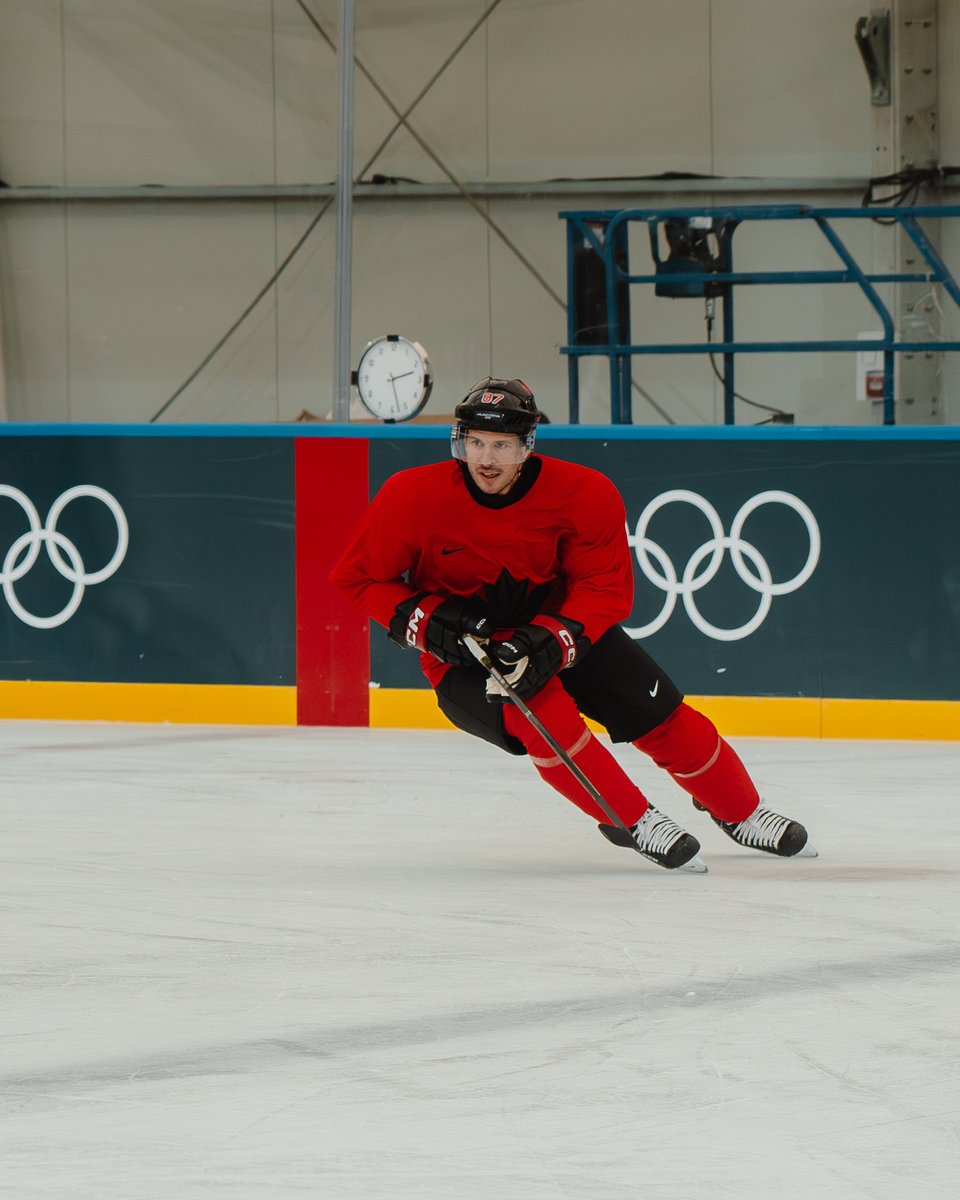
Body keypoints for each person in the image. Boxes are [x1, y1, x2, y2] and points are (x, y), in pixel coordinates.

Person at [330, 377, 816, 872]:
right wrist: (428, 620)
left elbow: (606, 588)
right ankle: (634, 820)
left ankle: (743, 811)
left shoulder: (584, 493)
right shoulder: (411, 495)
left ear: (527, 446)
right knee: (544, 717)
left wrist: (550, 638)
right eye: (475, 443)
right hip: (470, 657)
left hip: (561, 632)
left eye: (501, 445)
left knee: (661, 714)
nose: (486, 459)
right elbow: (359, 578)